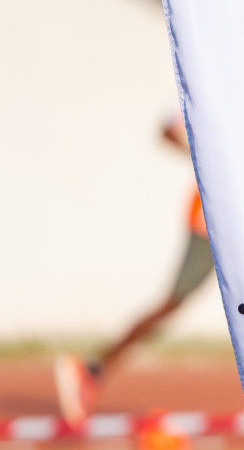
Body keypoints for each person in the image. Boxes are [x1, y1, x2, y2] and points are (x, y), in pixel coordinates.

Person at [53, 117, 213, 428]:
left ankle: (93, 368)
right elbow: (168, 127)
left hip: (237, 222)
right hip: (210, 221)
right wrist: (208, 162)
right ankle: (92, 369)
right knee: (173, 302)